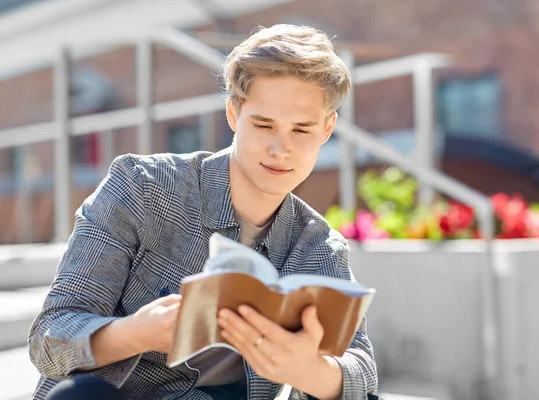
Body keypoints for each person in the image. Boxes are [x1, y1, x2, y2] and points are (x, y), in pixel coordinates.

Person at [28, 23, 378, 400]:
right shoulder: (142, 186)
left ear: (327, 129)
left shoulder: (317, 245)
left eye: (301, 130)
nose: (281, 149)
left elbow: (362, 371)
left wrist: (307, 369)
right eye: (263, 125)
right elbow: (50, 337)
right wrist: (138, 332)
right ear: (233, 113)